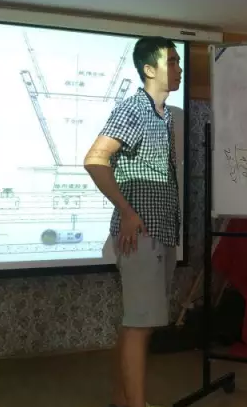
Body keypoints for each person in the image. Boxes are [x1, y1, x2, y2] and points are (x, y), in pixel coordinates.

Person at [83, 36, 182, 407]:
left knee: (139, 324)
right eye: (171, 61)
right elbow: (95, 159)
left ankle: (123, 399)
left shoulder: (163, 114)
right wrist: (127, 211)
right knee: (140, 326)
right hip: (142, 233)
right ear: (149, 69)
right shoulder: (134, 109)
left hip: (160, 231)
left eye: (178, 61)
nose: (179, 68)